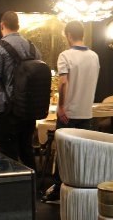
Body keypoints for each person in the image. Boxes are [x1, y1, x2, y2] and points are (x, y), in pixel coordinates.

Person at [41, 20, 100, 203]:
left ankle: (59, 191)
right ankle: (82, 191)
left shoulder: (65, 55)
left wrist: (60, 107)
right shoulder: (94, 56)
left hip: (69, 114)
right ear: (82, 34)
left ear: (68, 35)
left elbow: (63, 83)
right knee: (83, 154)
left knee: (63, 153)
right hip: (86, 113)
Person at [0, 11, 42, 169]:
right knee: (27, 151)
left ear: (2, 25)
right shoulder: (33, 47)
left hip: (6, 111)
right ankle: (32, 183)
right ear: (18, 26)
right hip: (27, 110)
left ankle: (11, 184)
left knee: (7, 155)